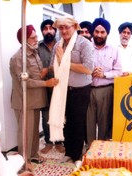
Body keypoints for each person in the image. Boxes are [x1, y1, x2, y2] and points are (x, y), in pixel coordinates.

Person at [9, 24, 59, 163]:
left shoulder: (34, 53)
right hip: (24, 101)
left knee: (34, 132)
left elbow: (36, 74)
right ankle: (24, 161)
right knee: (25, 133)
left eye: (36, 36)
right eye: (33, 37)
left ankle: (33, 156)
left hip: (35, 100)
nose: (37, 39)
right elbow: (25, 82)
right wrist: (46, 83)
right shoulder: (19, 58)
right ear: (24, 40)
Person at [48, 16, 94, 164]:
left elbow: (88, 69)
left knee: (78, 122)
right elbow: (52, 66)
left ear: (75, 27)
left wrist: (65, 62)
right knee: (65, 120)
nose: (64, 30)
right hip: (62, 89)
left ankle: (77, 155)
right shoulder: (58, 46)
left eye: (67, 27)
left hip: (80, 89)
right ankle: (68, 152)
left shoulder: (84, 44)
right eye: (61, 27)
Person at [86, 18, 122, 147]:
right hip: (87, 89)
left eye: (103, 32)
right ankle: (90, 148)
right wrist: (89, 71)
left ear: (107, 33)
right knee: (88, 122)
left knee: (104, 122)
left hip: (106, 89)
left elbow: (118, 72)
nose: (99, 35)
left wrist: (104, 74)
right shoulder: (86, 47)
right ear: (93, 32)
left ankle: (101, 148)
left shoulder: (114, 50)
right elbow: (78, 66)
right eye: (96, 31)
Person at [38, 19, 65, 154]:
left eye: (51, 28)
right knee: (46, 114)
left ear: (55, 31)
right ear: (42, 31)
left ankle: (60, 141)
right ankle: (49, 142)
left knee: (60, 113)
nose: (48, 31)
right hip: (44, 86)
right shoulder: (38, 47)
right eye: (45, 28)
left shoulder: (62, 45)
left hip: (59, 85)